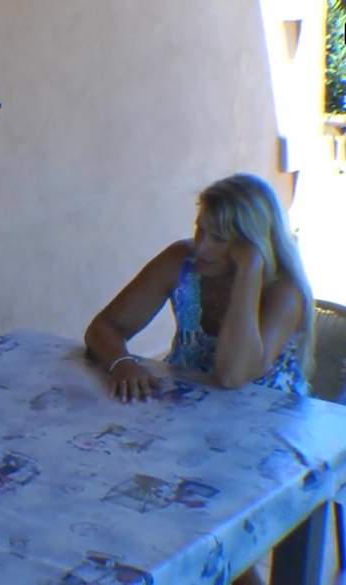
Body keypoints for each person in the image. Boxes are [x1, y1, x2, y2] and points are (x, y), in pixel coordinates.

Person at [84, 173, 315, 585]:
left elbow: (232, 375)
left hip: (266, 434)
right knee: (126, 498)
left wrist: (248, 274)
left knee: (219, 536)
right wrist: (122, 363)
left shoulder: (283, 291)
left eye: (220, 238)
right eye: (200, 230)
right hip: (187, 417)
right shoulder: (181, 261)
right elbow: (104, 327)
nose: (203, 247)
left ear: (251, 245)